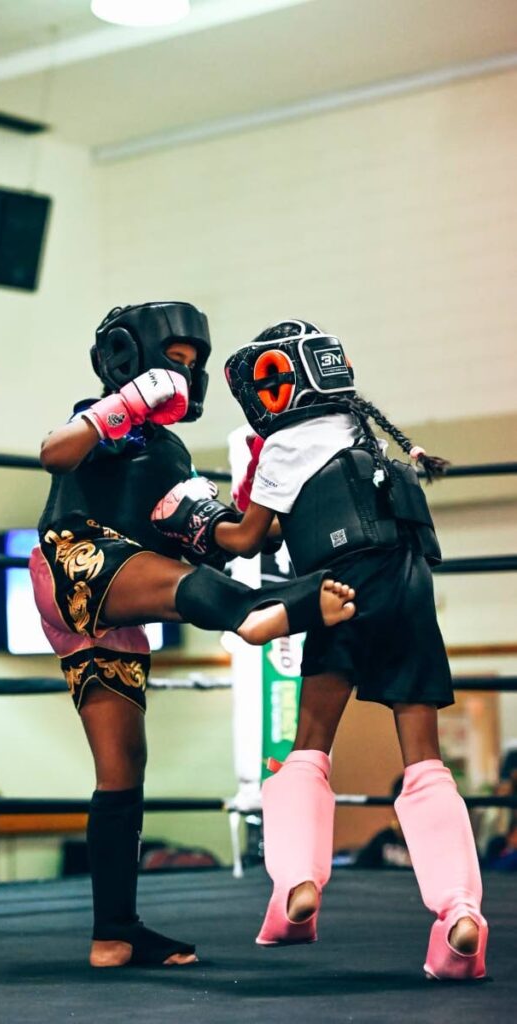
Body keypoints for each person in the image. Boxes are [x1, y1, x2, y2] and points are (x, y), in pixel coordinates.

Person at [152, 317, 488, 980]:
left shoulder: (282, 446)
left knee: (309, 746)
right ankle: (458, 913)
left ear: (275, 385)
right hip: (409, 584)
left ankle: (296, 889)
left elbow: (247, 539)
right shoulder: (358, 432)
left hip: (342, 587)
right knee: (423, 761)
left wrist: (193, 514)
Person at [29, 302, 356, 970]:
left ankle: (114, 934)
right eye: (173, 362)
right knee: (199, 590)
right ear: (129, 361)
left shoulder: (174, 456)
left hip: (111, 610)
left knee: (122, 769)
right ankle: (263, 613)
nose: (184, 376)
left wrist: (272, 467)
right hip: (74, 561)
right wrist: (124, 403)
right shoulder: (106, 421)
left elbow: (237, 538)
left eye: (192, 365)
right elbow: (52, 453)